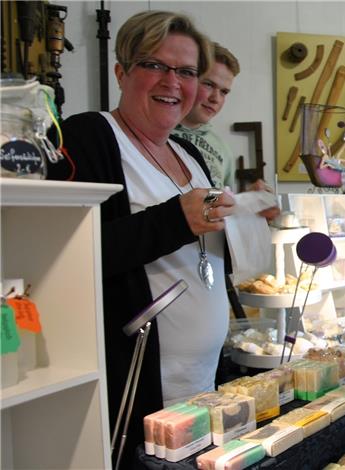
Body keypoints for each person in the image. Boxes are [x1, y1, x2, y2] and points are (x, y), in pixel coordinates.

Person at [46, 11, 232, 467]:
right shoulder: (87, 137)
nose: (173, 81)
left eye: (187, 71)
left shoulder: (189, 153)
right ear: (122, 72)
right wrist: (174, 219)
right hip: (135, 390)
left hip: (201, 383)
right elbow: (63, 260)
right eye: (155, 65)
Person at [172, 41, 280, 219]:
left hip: (208, 243)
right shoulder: (158, 135)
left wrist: (248, 201)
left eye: (224, 92)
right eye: (208, 84)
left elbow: (217, 205)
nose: (215, 98)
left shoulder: (222, 148)